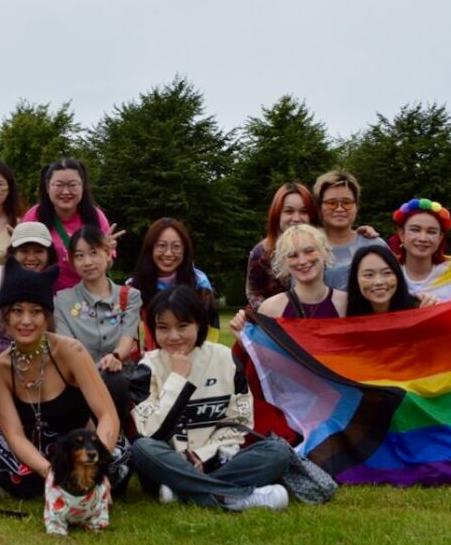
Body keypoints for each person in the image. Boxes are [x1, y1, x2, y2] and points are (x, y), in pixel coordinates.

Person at [0, 260, 129, 499]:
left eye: (35, 311)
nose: (26, 321)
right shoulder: (0, 368)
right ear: (6, 317)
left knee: (122, 454)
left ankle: (22, 487)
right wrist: (50, 473)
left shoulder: (72, 352)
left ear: (47, 316)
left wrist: (96, 467)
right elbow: (14, 436)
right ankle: (61, 488)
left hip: (80, 451)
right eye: (17, 311)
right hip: (32, 456)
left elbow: (107, 416)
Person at [130, 286, 291, 510]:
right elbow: (151, 432)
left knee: (279, 451)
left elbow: (240, 422)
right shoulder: (147, 367)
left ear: (199, 324)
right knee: (142, 448)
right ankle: (235, 497)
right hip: (168, 464)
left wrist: (203, 456)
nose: (173, 336)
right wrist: (177, 378)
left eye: (182, 326)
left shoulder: (225, 358)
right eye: (163, 328)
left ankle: (186, 491)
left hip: (217, 461)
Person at [54, 226, 142, 424]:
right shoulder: (61, 300)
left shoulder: (130, 296)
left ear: (107, 252)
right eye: (79, 255)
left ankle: (119, 437)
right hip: (80, 384)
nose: (87, 262)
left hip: (121, 382)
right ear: (71, 260)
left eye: (94, 252)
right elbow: (68, 349)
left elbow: (128, 339)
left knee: (114, 377)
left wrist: (115, 356)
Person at [21, 157, 122, 291]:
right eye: (59, 185)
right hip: (44, 297)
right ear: (47, 187)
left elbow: (107, 266)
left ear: (82, 186)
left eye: (73, 185)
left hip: (85, 300)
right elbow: (22, 260)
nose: (66, 192)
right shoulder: (34, 216)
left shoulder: (94, 216)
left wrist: (105, 253)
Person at [231, 225, 347, 332]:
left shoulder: (346, 304)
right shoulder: (270, 309)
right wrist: (242, 335)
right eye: (292, 255)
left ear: (325, 252)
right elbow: (262, 353)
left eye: (309, 251)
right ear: (284, 262)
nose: (302, 261)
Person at [128, 218, 218, 352]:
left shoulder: (199, 283)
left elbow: (211, 329)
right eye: (161, 246)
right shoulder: (134, 287)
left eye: (176, 246)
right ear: (150, 248)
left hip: (192, 357)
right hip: (150, 361)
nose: (168, 253)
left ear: (185, 250)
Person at [245, 183, 318, 313]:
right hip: (274, 325)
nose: (296, 218)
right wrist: (274, 314)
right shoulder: (261, 253)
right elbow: (254, 294)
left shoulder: (321, 248)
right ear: (277, 214)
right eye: (289, 211)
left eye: (304, 211)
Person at [313, 170, 387, 291]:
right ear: (319, 208)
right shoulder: (309, 248)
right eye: (332, 203)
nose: (340, 209)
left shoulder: (375, 245)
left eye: (347, 203)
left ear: (356, 206)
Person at [390, 198, 451, 302]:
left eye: (432, 232)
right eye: (415, 230)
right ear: (401, 234)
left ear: (440, 237)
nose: (423, 238)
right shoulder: (388, 273)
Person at [345, 246, 425, 316]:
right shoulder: (343, 312)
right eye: (369, 275)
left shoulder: (419, 310)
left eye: (387, 273)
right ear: (355, 279)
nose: (379, 282)